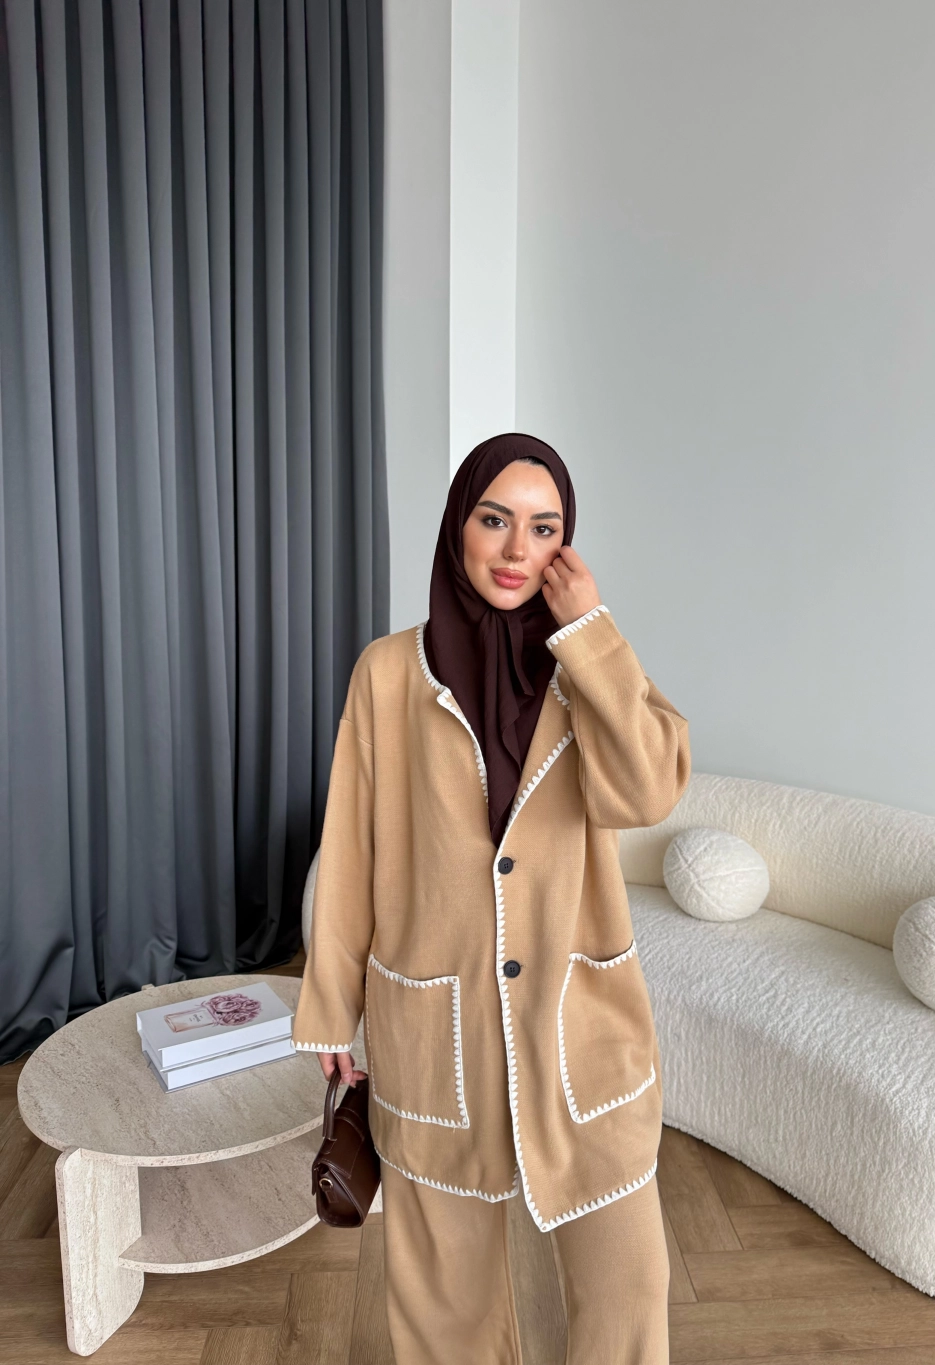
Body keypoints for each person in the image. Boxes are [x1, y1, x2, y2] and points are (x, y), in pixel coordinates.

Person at [293, 432, 691, 1364]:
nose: (518, 550)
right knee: (445, 1305)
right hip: (437, 1029)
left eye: (544, 528)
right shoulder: (388, 672)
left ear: (566, 543)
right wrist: (330, 1008)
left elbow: (648, 791)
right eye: (495, 520)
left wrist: (591, 634)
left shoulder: (586, 666)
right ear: (457, 527)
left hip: (580, 1026)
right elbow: (350, 848)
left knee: (630, 1289)